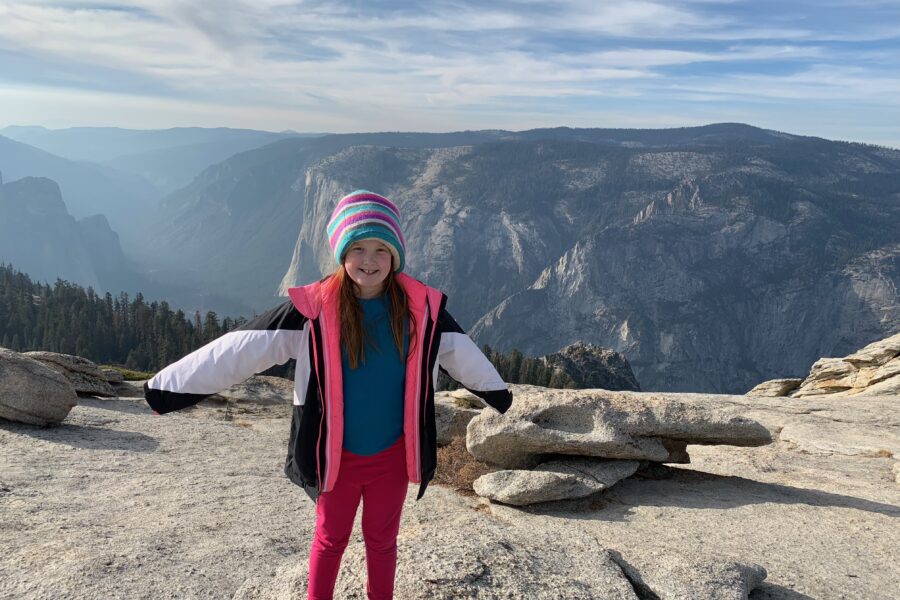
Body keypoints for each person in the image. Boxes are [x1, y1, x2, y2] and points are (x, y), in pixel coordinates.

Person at [144, 190, 513, 600]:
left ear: (395, 257)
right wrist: (167, 388)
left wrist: (498, 394)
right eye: (357, 248)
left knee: (382, 541)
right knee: (329, 538)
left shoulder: (421, 310)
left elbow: (461, 352)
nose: (369, 260)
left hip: (393, 455)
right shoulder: (313, 311)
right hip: (335, 457)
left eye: (380, 249)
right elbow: (240, 349)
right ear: (341, 254)